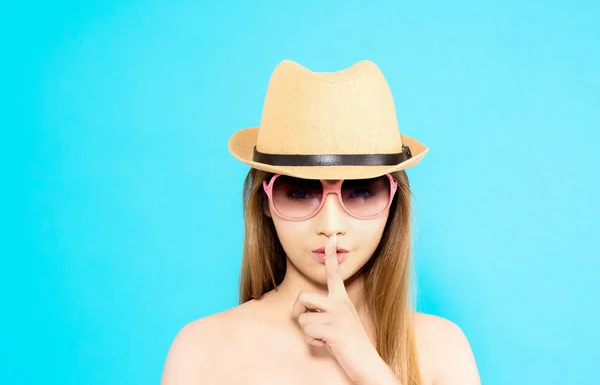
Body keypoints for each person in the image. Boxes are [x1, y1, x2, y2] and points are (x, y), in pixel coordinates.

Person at [161, 60, 481, 384]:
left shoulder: (443, 349)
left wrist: (367, 366)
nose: (331, 225)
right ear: (265, 201)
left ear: (393, 200)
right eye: (299, 192)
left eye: (360, 192)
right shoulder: (203, 351)